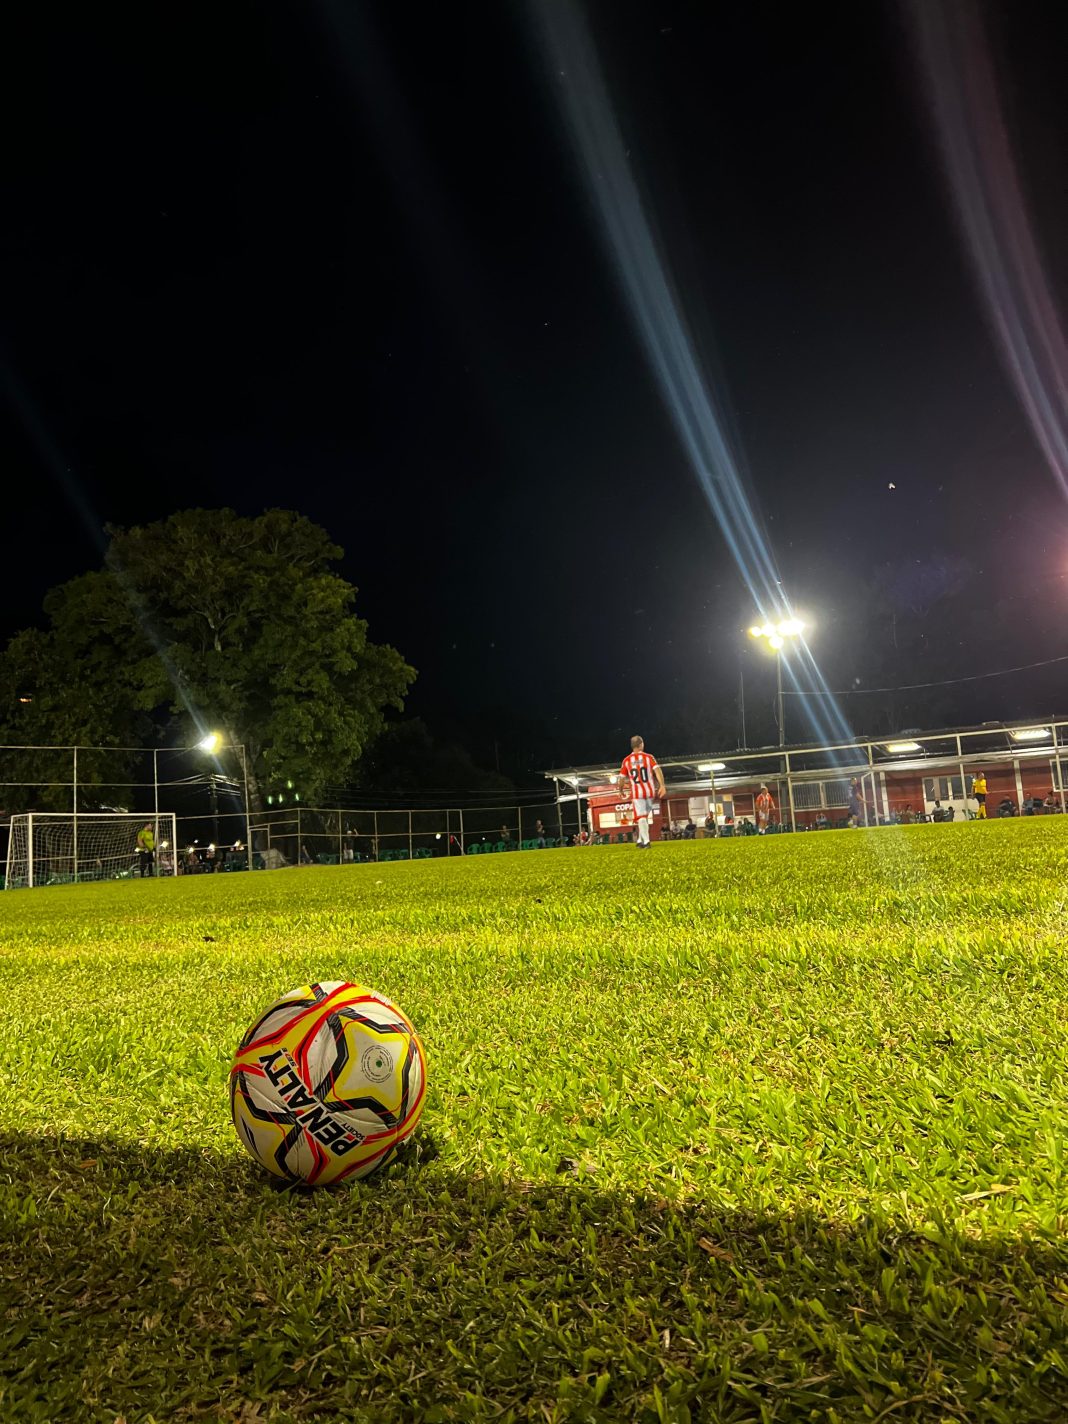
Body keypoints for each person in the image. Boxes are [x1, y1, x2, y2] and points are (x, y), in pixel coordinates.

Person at [619, 735, 666, 849]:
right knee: (643, 816)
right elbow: (657, 770)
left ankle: (646, 841)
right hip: (650, 792)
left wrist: (621, 790)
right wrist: (662, 785)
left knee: (641, 817)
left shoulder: (627, 760)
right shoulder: (649, 757)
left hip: (637, 793)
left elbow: (621, 778)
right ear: (641, 744)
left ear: (632, 746)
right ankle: (641, 840)